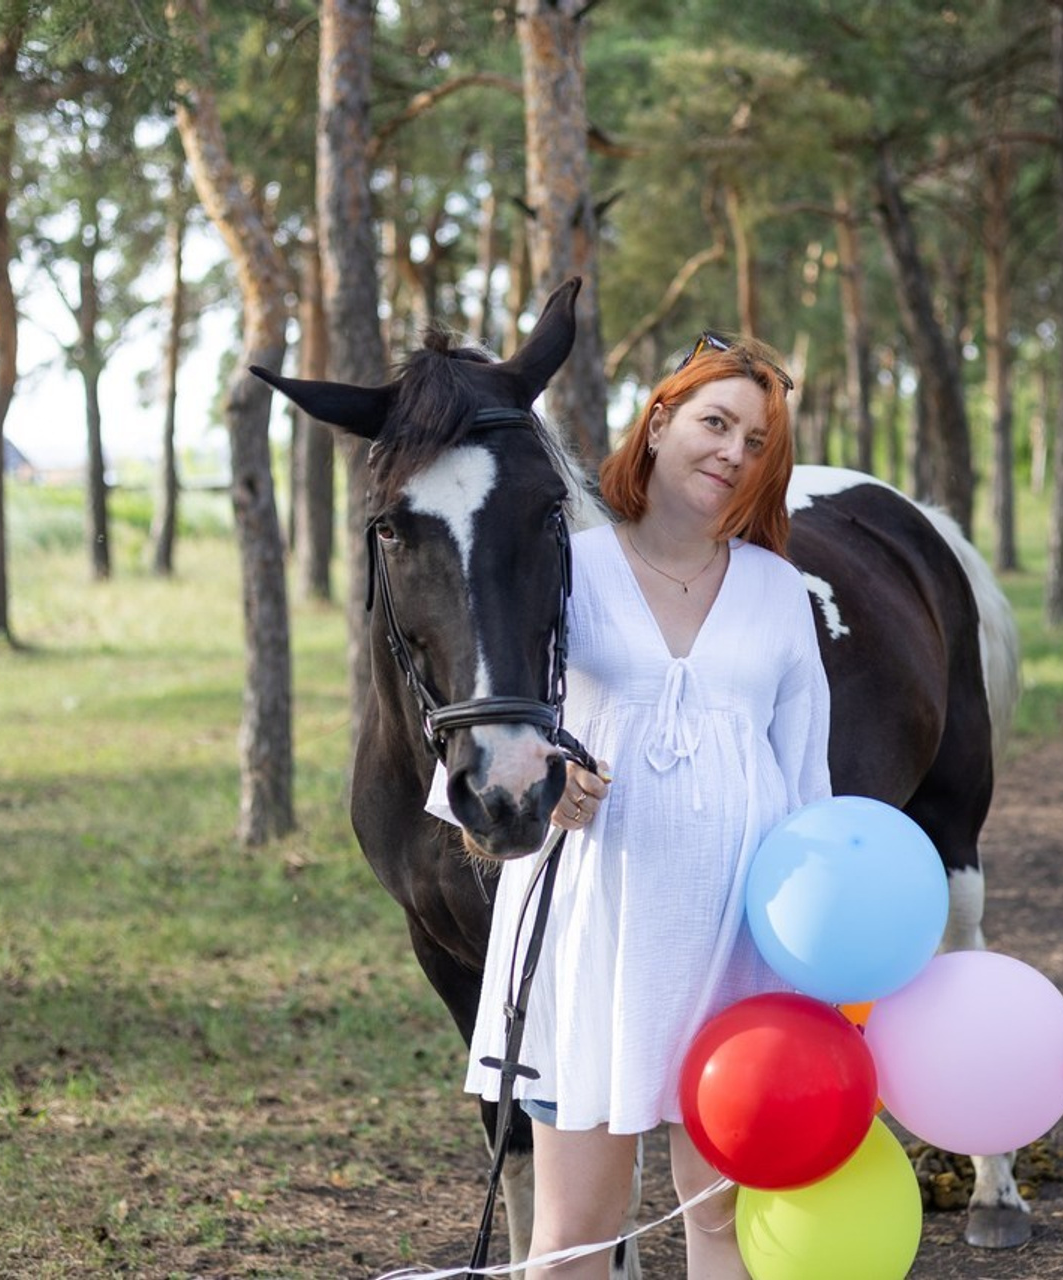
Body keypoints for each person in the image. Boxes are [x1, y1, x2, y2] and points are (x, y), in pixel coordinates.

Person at [463, 333, 832, 1278]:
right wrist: (545, 784)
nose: (733, 453)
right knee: (570, 1241)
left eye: (757, 444)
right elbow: (479, 740)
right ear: (661, 421)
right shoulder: (565, 566)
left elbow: (807, 791)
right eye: (716, 423)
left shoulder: (779, 591)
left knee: (723, 1228)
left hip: (735, 950)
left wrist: (817, 963)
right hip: (592, 942)